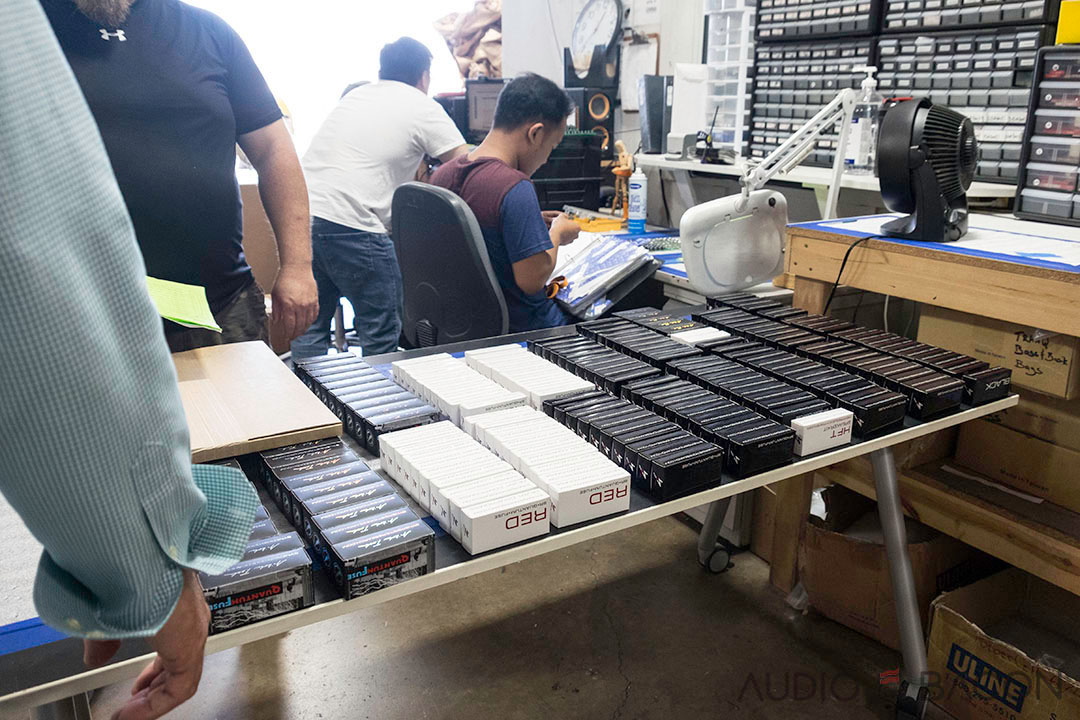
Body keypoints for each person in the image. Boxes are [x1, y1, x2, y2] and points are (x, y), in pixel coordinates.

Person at [1, 1, 258, 719]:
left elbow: (271, 147)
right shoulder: (27, 27)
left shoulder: (205, 33)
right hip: (112, 305)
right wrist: (151, 572)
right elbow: (35, 315)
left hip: (203, 296)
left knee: (236, 435)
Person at [40, 0, 318, 352]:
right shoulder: (22, 34)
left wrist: (298, 266)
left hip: (217, 307)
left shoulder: (208, 32)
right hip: (70, 316)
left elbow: (273, 149)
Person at [293, 37, 469, 360]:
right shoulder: (421, 106)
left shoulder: (357, 96)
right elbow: (465, 164)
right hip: (356, 226)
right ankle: (378, 393)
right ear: (424, 76)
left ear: (382, 70)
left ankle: (305, 393)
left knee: (310, 329)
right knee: (380, 337)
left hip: (306, 219)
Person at [431, 73, 580, 332]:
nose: (546, 159)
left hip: (460, 327)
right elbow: (532, 280)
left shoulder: (442, 175)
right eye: (552, 147)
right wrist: (558, 233)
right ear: (536, 134)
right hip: (523, 330)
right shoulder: (514, 187)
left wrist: (529, 222)